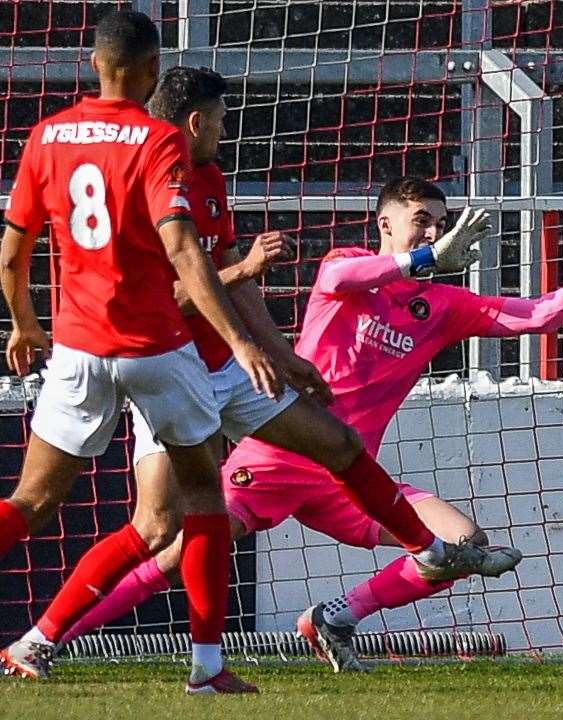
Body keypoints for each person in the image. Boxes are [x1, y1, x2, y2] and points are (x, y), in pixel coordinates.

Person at [2, 69, 524, 690]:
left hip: (209, 367)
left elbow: (227, 273)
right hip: (165, 365)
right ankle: (56, 641)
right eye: (220, 118)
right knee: (158, 523)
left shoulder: (206, 178)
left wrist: (280, 352)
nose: (226, 129)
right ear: (195, 121)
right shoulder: (148, 167)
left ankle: (139, 656)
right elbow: (170, 293)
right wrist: (248, 333)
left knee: (320, 454)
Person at [53, 174, 563, 673]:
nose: (435, 232)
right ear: (385, 224)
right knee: (179, 550)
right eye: (421, 220)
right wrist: (418, 260)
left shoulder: (445, 308)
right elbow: (343, 280)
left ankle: (335, 618)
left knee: (462, 545)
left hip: (351, 480)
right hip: (280, 458)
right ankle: (53, 639)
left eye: (441, 223)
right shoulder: (346, 267)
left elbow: (539, 317)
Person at [0, 10, 280, 693]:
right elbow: (182, 247)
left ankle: (41, 640)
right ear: (152, 71)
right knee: (203, 495)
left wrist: (23, 325)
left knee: (32, 501)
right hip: (155, 346)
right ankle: (208, 666)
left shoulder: (47, 136)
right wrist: (242, 340)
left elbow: (12, 251)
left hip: (76, 347)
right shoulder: (158, 141)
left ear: (93, 64)